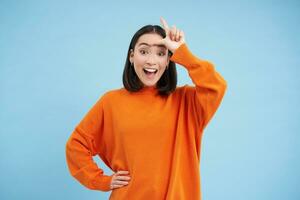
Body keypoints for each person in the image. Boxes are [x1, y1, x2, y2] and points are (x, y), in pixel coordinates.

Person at [65, 17, 227, 200]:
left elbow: (216, 86)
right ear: (131, 56)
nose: (151, 60)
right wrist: (102, 181)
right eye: (144, 51)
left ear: (168, 61)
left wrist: (183, 53)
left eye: (161, 53)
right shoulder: (110, 102)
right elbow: (76, 146)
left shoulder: (187, 102)